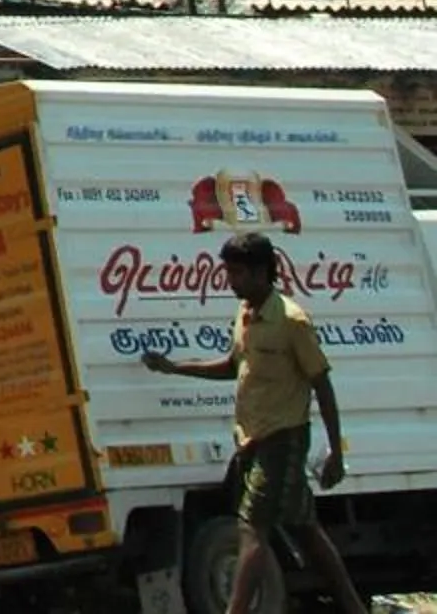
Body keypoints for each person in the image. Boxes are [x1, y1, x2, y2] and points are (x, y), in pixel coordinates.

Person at [141, 231, 363, 614]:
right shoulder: (245, 315)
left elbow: (322, 386)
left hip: (283, 439)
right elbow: (233, 366)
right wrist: (174, 367)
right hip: (253, 441)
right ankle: (354, 607)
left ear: (262, 272)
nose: (230, 280)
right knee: (305, 528)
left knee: (250, 527)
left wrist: (335, 454)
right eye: (228, 271)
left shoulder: (291, 321)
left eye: (238, 272)